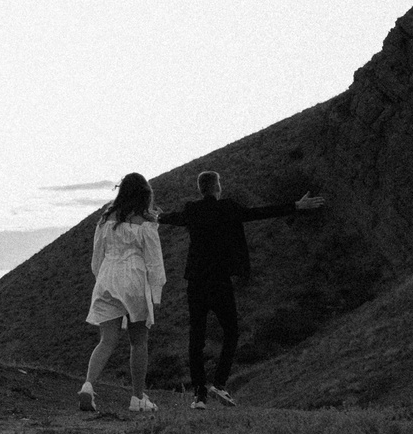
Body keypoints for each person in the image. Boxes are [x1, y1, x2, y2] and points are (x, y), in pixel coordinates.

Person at [159, 170, 324, 407]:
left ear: (200, 189)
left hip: (196, 282)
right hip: (220, 281)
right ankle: (219, 384)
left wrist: (154, 216)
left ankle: (199, 395)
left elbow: (172, 218)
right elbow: (258, 213)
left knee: (196, 338)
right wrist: (296, 206)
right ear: (217, 187)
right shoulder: (228, 208)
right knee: (231, 332)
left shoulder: (192, 210)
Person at [80, 172, 166, 415]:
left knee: (106, 340)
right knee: (138, 341)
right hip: (135, 279)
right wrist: (156, 293)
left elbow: (96, 258)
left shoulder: (105, 220)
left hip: (108, 277)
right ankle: (137, 398)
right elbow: (154, 262)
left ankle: (88, 385)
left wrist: (102, 278)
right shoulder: (146, 223)